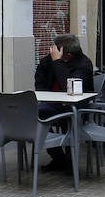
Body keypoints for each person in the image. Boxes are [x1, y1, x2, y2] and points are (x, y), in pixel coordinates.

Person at [34, 34, 95, 172]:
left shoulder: (83, 64)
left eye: (57, 50)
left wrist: (58, 63)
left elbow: (71, 87)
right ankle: (58, 157)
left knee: (67, 119)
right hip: (52, 104)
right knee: (35, 114)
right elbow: (40, 80)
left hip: (76, 107)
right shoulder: (49, 60)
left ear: (67, 54)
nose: (53, 52)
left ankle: (70, 162)